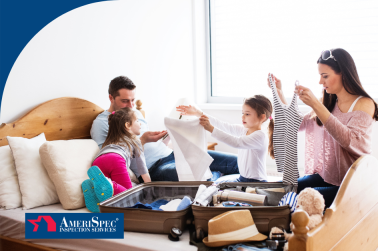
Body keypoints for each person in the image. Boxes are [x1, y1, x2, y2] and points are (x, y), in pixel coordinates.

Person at [269, 48, 378, 207]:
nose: (320, 82)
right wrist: (279, 92)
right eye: (320, 76)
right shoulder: (329, 102)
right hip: (329, 177)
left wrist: (315, 103)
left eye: (325, 76)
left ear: (343, 73)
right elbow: (299, 124)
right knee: (286, 187)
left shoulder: (364, 104)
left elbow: (347, 139)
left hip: (354, 182)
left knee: (303, 199)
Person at [90, 76, 239, 182]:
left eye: (133, 100)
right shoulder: (101, 123)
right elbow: (113, 159)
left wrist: (167, 135)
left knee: (237, 162)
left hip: (173, 154)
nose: (131, 106)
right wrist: (143, 140)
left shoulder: (135, 113)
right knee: (201, 177)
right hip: (153, 169)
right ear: (111, 98)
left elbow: (153, 144)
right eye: (125, 101)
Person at [177, 95, 274, 182]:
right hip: (243, 179)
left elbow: (237, 143)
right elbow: (223, 125)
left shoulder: (260, 136)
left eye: (247, 114)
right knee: (218, 185)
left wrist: (210, 128)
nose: (242, 117)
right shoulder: (244, 130)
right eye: (242, 113)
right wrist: (198, 113)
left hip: (256, 183)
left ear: (262, 117)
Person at [82, 107, 150, 212]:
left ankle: (97, 198)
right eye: (137, 120)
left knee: (110, 194)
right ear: (127, 125)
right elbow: (142, 168)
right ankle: (110, 184)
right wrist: (150, 188)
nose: (140, 123)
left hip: (98, 161)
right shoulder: (135, 140)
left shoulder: (110, 140)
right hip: (116, 160)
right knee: (128, 195)